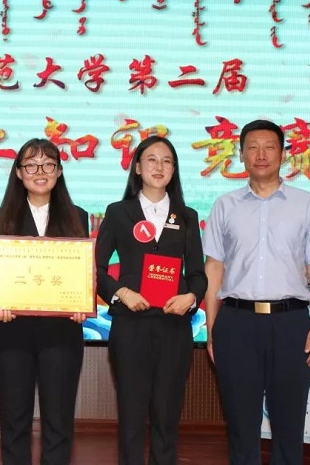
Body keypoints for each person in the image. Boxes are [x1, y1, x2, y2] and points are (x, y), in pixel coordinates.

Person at [203, 119, 310, 465]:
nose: (261, 154)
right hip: (237, 323)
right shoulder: (225, 205)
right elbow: (213, 270)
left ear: (283, 154)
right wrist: (212, 328)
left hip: (291, 324)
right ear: (241, 155)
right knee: (241, 426)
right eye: (253, 147)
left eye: (270, 146)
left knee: (289, 425)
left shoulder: (305, 204)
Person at [96, 136, 207, 465]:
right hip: (131, 325)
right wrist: (122, 293)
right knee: (131, 415)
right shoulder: (118, 213)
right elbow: (95, 269)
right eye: (152, 160)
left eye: (167, 161)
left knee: (167, 415)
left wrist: (191, 297)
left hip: (174, 327)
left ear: (174, 170)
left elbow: (198, 274)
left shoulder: (187, 216)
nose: (159, 167)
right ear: (137, 168)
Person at [0, 138, 89, 465]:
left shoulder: (78, 216)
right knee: (14, 418)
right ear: (18, 173)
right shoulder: (4, 216)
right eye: (31, 165)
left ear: (59, 171)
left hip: (62, 331)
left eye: (48, 164)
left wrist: (81, 302)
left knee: (58, 420)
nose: (40, 172)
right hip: (12, 330)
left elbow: (83, 273)